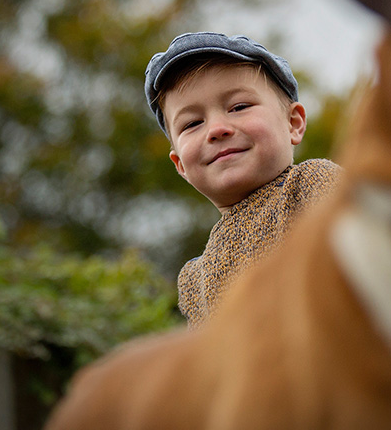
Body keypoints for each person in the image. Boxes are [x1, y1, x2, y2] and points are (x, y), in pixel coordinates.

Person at [145, 32, 341, 327]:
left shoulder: (312, 186)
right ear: (180, 165)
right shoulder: (194, 277)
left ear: (293, 123)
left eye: (239, 107)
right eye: (192, 123)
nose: (216, 129)